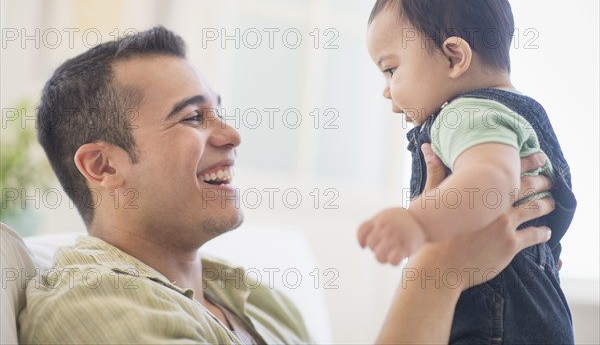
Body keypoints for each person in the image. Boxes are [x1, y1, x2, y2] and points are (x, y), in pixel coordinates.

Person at [18, 27, 555, 344]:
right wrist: (437, 273)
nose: (231, 135)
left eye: (219, 112)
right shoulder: (98, 310)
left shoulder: (258, 299)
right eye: (192, 119)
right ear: (103, 167)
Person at [358, 0, 576, 344]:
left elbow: (492, 181)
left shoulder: (467, 114)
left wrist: (419, 222)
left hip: (494, 325)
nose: (387, 90)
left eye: (391, 69)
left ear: (454, 56)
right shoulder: (517, 114)